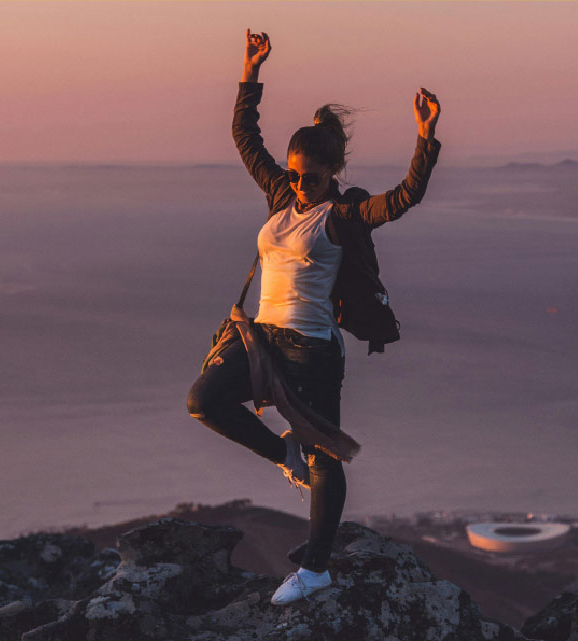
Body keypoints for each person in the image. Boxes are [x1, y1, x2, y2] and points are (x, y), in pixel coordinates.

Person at [186, 29, 441, 606]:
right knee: (203, 401)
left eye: (313, 177)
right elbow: (244, 136)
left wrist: (425, 137)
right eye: (296, 174)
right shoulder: (281, 195)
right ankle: (284, 455)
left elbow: (404, 198)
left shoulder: (345, 213)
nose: (301, 185)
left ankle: (317, 570)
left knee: (328, 452)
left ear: (334, 172)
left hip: (311, 350)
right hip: (260, 338)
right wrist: (251, 72)